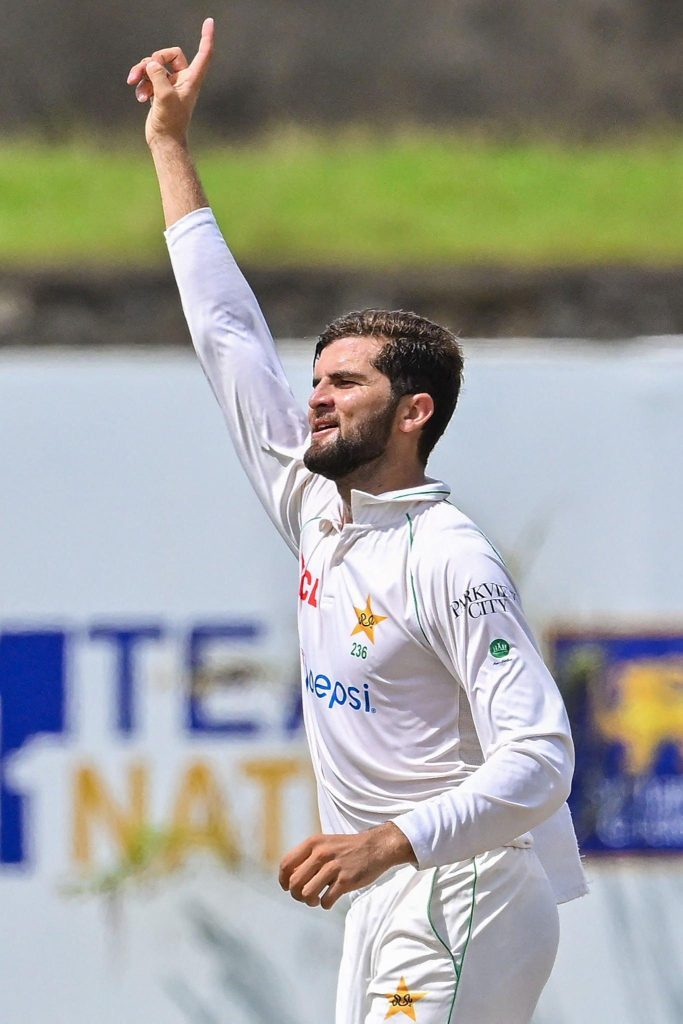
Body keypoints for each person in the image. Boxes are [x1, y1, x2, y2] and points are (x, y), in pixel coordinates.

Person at [128, 19, 587, 1023]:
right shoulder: (314, 504)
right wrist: (170, 146)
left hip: (466, 888)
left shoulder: (450, 560)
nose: (317, 399)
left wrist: (387, 839)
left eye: (345, 383)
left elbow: (541, 759)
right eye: (315, 381)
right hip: (388, 898)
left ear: (414, 411)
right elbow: (228, 336)